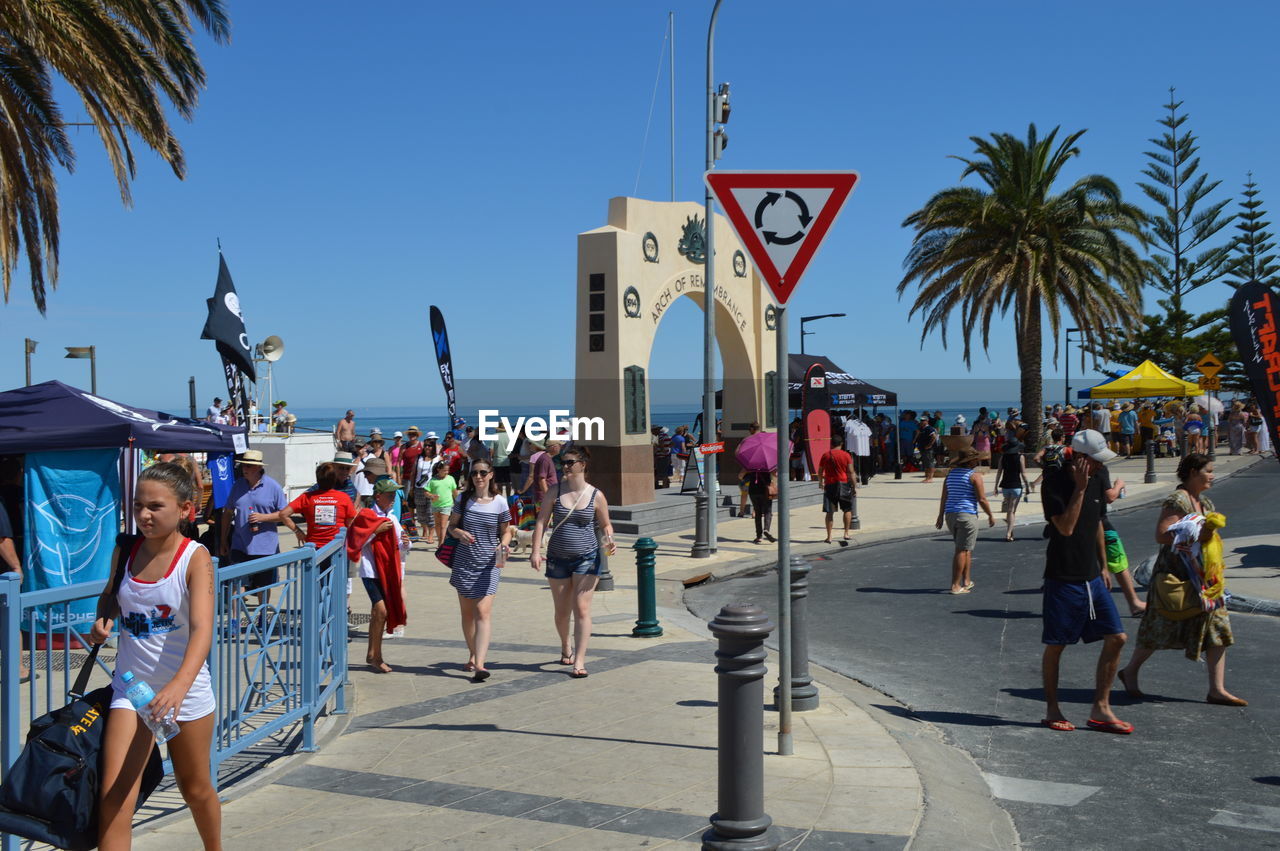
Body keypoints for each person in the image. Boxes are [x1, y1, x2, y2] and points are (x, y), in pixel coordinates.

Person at [90, 463, 220, 848]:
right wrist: (103, 620)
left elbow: (202, 629)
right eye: (137, 505)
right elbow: (110, 598)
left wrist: (179, 686)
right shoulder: (126, 548)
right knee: (114, 799)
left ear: (185, 509)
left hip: (185, 691)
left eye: (155, 506)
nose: (143, 515)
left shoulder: (194, 558)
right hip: (132, 691)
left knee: (194, 789)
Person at [1119, 453, 1245, 707]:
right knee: (1157, 629)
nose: (1212, 475)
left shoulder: (1205, 502)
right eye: (1208, 470)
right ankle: (1130, 670)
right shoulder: (1177, 500)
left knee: (1217, 626)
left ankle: (1216, 689)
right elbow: (1162, 535)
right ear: (1192, 472)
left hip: (1203, 578)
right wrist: (1198, 536)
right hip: (1175, 577)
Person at [1038, 429, 1130, 734]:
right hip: (1063, 576)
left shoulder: (1099, 478)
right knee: (1057, 645)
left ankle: (1101, 709)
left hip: (1092, 575)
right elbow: (1065, 527)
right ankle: (1053, 709)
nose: (1102, 466)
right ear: (1079, 458)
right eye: (1096, 461)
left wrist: (1103, 565)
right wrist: (1079, 488)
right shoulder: (1056, 482)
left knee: (1117, 637)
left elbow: (1097, 524)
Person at [531, 446, 614, 679]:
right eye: (562, 462)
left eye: (569, 462)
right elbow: (541, 521)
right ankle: (565, 645)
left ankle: (579, 660)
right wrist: (535, 551)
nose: (564, 466)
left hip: (587, 558)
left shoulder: (596, 495)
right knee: (561, 612)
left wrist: (609, 540)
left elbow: (605, 524)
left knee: (582, 609)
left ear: (582, 465)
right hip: (557, 558)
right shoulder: (554, 492)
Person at [444, 460, 510, 682]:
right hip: (465, 561)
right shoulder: (463, 500)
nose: (478, 476)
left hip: (489, 563)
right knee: (467, 613)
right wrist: (458, 533)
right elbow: (451, 526)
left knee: (482, 612)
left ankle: (480, 664)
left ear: (491, 475)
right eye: (474, 473)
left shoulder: (500, 502)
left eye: (483, 472)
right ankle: (473, 653)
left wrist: (504, 544)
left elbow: (506, 531)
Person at [219, 450, 299, 617]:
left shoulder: (273, 487)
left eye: (248, 466)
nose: (244, 469)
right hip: (239, 543)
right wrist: (223, 540)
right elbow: (227, 513)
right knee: (236, 583)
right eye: (243, 465)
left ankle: (263, 619)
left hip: (265, 546)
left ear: (257, 468)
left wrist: (264, 517)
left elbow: (284, 513)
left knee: (263, 586)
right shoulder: (238, 485)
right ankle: (234, 620)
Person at [347, 478, 409, 674]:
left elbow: (400, 545)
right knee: (381, 611)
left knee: (380, 613)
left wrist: (406, 543)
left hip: (387, 571)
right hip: (370, 570)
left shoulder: (392, 517)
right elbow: (355, 540)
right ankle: (375, 656)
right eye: (390, 495)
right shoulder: (366, 514)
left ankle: (374, 654)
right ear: (378, 496)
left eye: (394, 495)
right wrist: (375, 531)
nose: (393, 498)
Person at [936, 446, 994, 594]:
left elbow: (944, 497)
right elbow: (981, 498)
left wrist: (940, 516)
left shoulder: (950, 475)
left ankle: (966, 581)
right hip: (967, 515)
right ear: (970, 462)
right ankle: (955, 585)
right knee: (961, 550)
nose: (977, 461)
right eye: (975, 459)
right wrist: (990, 515)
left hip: (951, 515)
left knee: (965, 548)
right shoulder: (974, 476)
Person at [0, 494, 29, 682]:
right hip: (3, 579)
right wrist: (16, 567)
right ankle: (16, 669)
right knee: (9, 622)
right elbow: (2, 539)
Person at [817, 433, 856, 545]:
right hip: (843, 484)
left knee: (830, 512)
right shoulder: (846, 455)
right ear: (841, 444)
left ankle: (829, 536)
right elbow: (851, 472)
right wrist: (854, 486)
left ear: (831, 444)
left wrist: (821, 482)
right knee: (847, 509)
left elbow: (820, 471)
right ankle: (846, 533)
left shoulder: (826, 455)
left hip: (830, 485)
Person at [995, 439, 1028, 542]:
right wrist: (1027, 485)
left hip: (1005, 486)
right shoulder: (1020, 457)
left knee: (1009, 510)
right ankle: (1009, 533)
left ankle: (1011, 531)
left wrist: (995, 486)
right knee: (1012, 510)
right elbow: (1023, 473)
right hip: (1016, 486)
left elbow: (999, 472)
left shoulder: (1003, 457)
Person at [424, 462, 458, 547]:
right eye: (444, 470)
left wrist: (458, 501)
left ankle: (441, 544)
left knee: (443, 525)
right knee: (437, 524)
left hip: (447, 505)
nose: (446, 472)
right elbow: (426, 492)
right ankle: (440, 539)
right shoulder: (433, 480)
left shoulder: (450, 478)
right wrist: (431, 496)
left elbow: (454, 491)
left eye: (447, 470)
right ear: (438, 470)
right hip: (435, 505)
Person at [915, 416, 939, 483]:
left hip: (929, 449)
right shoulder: (922, 428)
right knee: (926, 463)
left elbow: (934, 437)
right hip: (922, 448)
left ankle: (930, 478)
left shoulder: (929, 428)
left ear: (927, 421)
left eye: (923, 420)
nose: (922, 421)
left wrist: (929, 445)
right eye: (921, 420)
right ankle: (927, 477)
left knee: (930, 463)